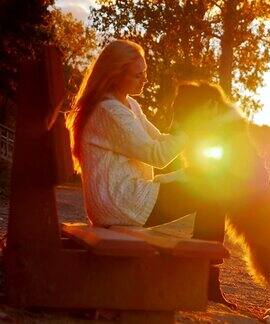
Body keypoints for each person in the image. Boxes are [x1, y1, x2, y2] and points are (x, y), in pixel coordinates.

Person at [65, 39, 234, 308]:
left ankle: (206, 277)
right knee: (214, 192)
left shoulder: (129, 105)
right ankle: (206, 280)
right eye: (138, 75)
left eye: (145, 73)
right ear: (115, 74)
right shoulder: (109, 111)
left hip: (130, 194)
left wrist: (189, 132)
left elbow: (160, 143)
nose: (145, 79)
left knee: (212, 183)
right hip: (120, 204)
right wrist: (188, 130)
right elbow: (157, 155)